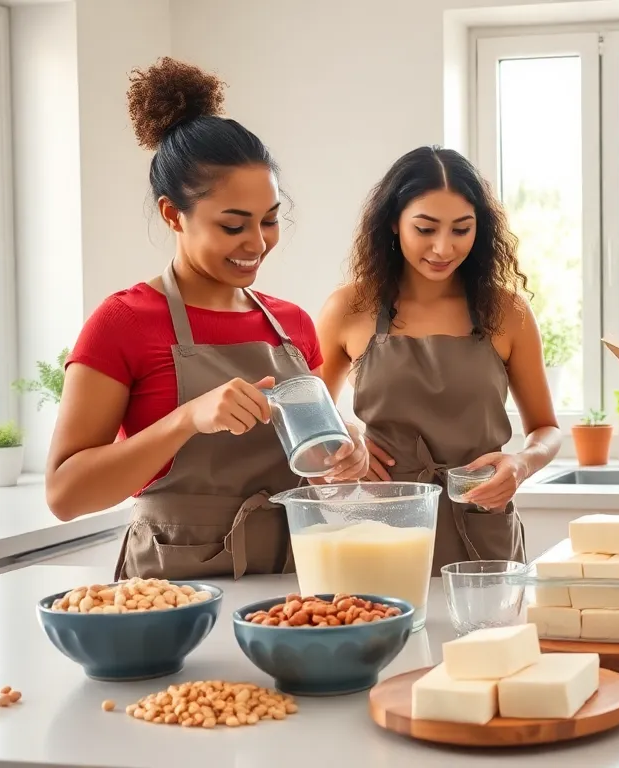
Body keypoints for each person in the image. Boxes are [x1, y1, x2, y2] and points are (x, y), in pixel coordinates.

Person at [45, 58, 369, 581]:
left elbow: (316, 473)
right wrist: (185, 419)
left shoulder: (293, 327)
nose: (258, 243)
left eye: (269, 220)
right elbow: (65, 495)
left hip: (292, 583)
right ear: (173, 214)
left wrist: (343, 449)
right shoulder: (123, 322)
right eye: (233, 224)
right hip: (171, 592)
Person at [316, 146, 561, 574]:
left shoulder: (508, 313)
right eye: (425, 229)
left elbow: (547, 429)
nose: (443, 248)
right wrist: (346, 437)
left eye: (461, 230)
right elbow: (306, 415)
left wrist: (522, 464)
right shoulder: (349, 308)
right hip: (380, 526)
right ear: (393, 223)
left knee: (489, 640)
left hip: (482, 524)